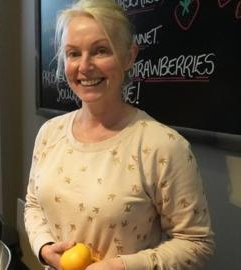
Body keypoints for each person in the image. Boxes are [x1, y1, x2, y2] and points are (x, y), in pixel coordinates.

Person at [24, 1, 214, 269]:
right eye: (73, 53)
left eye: (101, 51)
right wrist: (44, 248)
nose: (85, 66)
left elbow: (196, 243)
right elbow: (33, 205)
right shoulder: (49, 133)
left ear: (129, 56)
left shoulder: (163, 146)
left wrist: (123, 266)